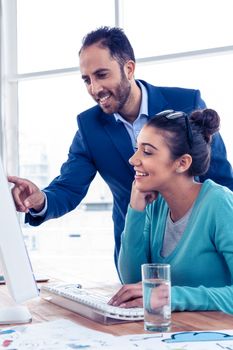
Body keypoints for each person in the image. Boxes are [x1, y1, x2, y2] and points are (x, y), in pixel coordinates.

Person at [8, 26, 233, 270]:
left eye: (101, 74)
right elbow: (69, 187)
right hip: (135, 251)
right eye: (87, 80)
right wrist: (40, 200)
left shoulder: (185, 104)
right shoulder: (89, 127)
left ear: (129, 69)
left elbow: (221, 179)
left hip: (198, 250)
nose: (94, 89)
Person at [108, 108, 233, 314]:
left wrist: (171, 297)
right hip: (176, 334)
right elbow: (133, 284)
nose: (133, 159)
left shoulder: (219, 204)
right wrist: (135, 210)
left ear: (182, 163)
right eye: (137, 148)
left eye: (147, 151)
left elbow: (159, 296)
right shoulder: (156, 205)